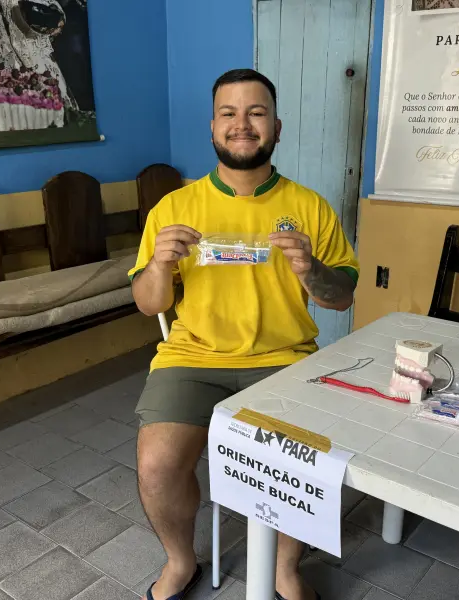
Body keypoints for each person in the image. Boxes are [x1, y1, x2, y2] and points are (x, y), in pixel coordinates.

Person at [129, 68, 360, 600]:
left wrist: (311, 270)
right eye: (229, 113)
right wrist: (160, 265)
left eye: (256, 113)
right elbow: (148, 303)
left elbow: (341, 297)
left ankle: (284, 567)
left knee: (297, 463)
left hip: (285, 358)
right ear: (212, 127)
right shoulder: (174, 207)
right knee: (157, 465)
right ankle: (180, 560)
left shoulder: (310, 207)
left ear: (276, 127)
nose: (242, 124)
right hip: (191, 358)